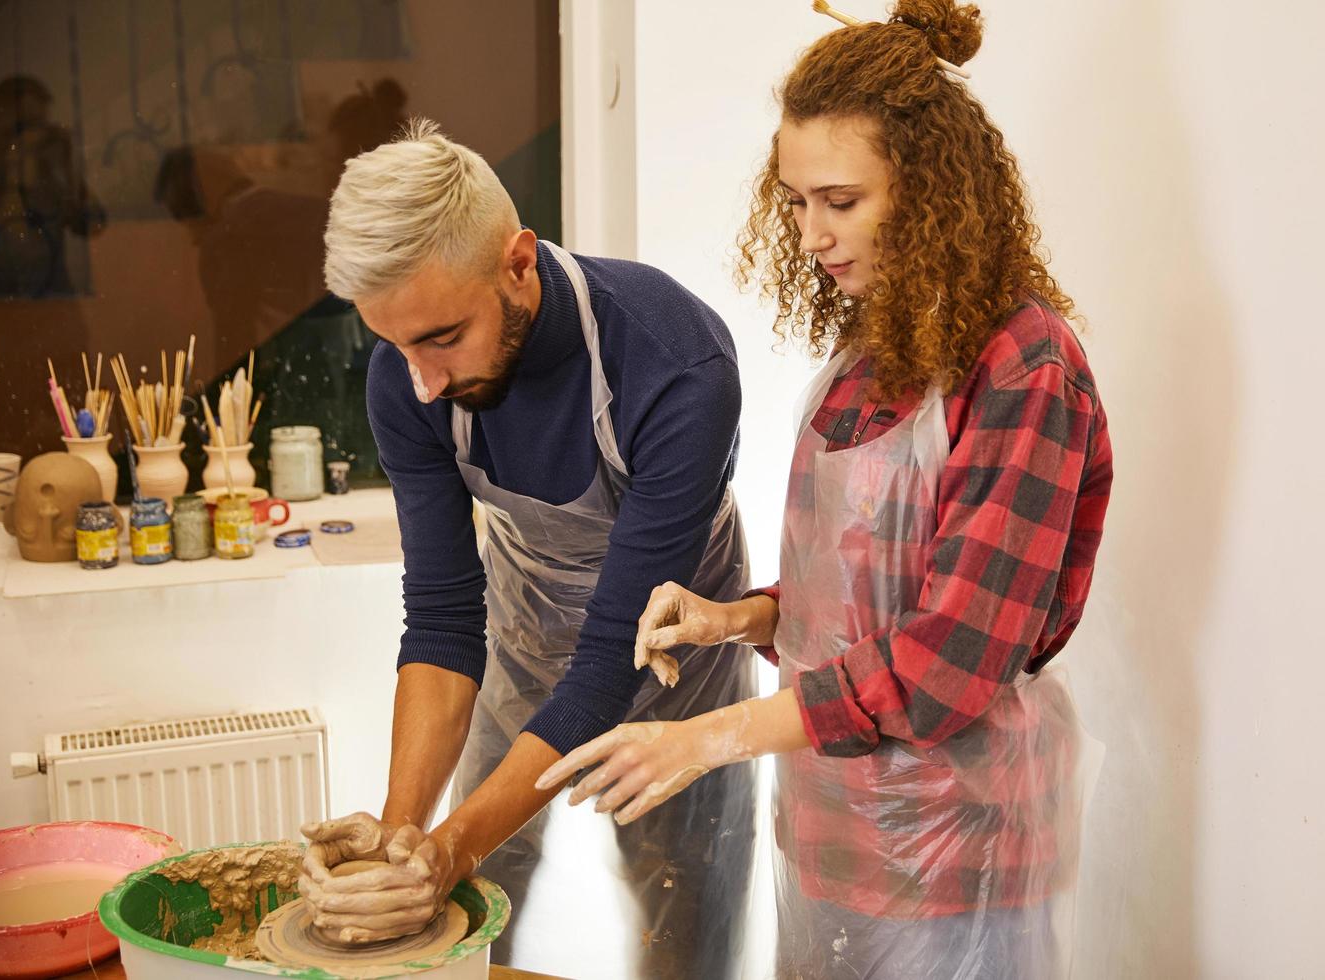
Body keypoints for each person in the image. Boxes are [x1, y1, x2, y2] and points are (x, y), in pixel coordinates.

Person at [538, 3, 1113, 977]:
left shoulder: (1024, 370)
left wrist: (712, 738)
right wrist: (731, 617)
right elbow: (852, 594)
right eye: (796, 201)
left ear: (930, 192)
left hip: (951, 848)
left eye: (840, 201)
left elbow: (943, 662)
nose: (810, 233)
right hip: (835, 830)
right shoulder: (871, 355)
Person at [298, 118, 756, 979]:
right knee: (473, 891)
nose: (422, 379)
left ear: (517, 263)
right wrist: (405, 844)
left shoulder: (676, 366)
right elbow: (440, 616)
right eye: (396, 345)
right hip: (525, 627)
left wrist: (451, 847)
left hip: (674, 663)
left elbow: (609, 661)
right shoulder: (409, 373)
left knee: (685, 917)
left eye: (442, 337)